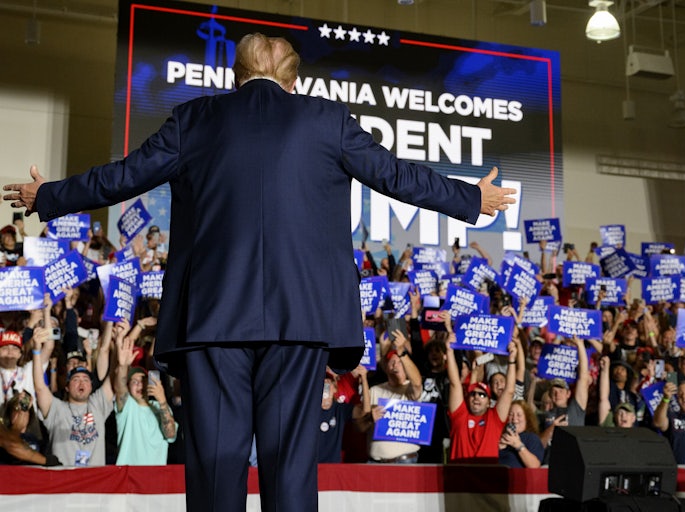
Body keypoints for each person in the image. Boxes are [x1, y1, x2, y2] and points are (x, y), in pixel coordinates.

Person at [3, 33, 515, 512]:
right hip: (301, 322)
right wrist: (472, 197)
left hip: (212, 320)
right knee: (291, 468)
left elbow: (123, 176)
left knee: (217, 466)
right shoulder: (328, 121)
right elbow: (399, 176)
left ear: (235, 78)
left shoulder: (194, 120)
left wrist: (48, 196)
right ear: (295, 83)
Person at [32, 324, 115, 467]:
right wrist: (36, 351)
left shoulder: (98, 404)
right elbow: (39, 387)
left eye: (85, 379)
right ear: (67, 387)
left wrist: (118, 344)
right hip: (63, 484)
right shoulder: (56, 408)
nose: (81, 383)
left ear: (91, 386)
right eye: (76, 380)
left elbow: (114, 377)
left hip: (95, 483)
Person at [443, 312, 518, 463]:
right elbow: (454, 383)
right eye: (473, 394)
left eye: (482, 395)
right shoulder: (460, 415)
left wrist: (511, 361)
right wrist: (449, 351)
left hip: (487, 483)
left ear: (489, 401)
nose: (477, 397)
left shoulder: (494, 418)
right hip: (458, 483)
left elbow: (509, 391)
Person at [113, 319, 177, 465]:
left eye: (142, 380)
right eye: (134, 382)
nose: (139, 385)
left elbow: (171, 434)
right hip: (128, 479)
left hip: (155, 482)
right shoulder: (128, 406)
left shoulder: (160, 407)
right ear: (129, 387)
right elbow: (119, 388)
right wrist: (123, 366)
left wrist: (162, 401)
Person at [358, 330, 423, 463]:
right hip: (375, 462)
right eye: (392, 362)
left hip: (405, 461)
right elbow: (360, 426)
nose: (396, 365)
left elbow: (417, 383)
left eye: (400, 362)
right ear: (386, 367)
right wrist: (370, 418)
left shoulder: (410, 389)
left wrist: (402, 353)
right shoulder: (374, 390)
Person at [498, 399, 544, 468]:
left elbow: (535, 466)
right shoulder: (499, 436)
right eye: (510, 414)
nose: (514, 419)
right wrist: (498, 448)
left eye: (519, 415)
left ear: (527, 419)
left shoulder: (531, 438)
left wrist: (518, 445)